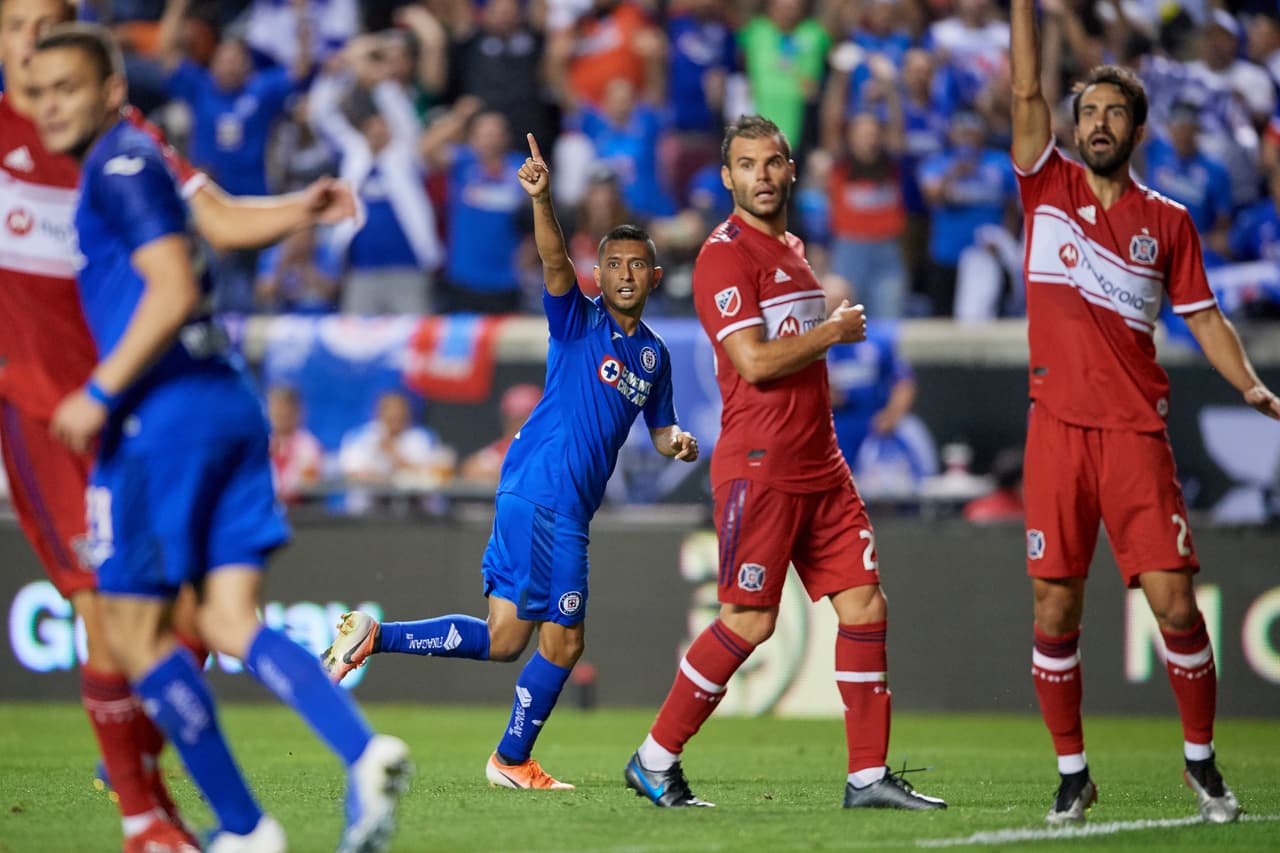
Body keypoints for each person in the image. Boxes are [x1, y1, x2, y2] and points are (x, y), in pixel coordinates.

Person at [28, 23, 411, 852]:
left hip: (161, 416)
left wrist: (97, 393)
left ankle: (243, 824)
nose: (50, 103)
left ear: (111, 91)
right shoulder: (151, 154)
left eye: (67, 87)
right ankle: (363, 748)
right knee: (228, 616)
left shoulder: (116, 163)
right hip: (227, 396)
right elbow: (224, 222)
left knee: (132, 632)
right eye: (40, 87)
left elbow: (168, 286)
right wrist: (299, 207)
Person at [320, 132, 698, 790]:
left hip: (544, 495)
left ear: (654, 276)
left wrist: (678, 441)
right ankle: (511, 759)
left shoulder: (656, 357)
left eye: (639, 266)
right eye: (616, 265)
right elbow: (554, 263)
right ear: (601, 273)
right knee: (566, 640)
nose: (627, 275)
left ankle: (372, 634)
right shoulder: (579, 320)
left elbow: (660, 431)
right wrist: (543, 198)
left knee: (504, 638)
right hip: (549, 495)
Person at [622, 115, 946, 811]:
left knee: (864, 603)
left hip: (820, 460)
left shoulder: (794, 248)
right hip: (761, 461)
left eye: (772, 163)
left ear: (791, 169)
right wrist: (832, 330)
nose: (761, 176)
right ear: (727, 177)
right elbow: (754, 362)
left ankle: (867, 776)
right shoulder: (724, 256)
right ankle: (654, 758)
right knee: (748, 620)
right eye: (747, 165)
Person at [1009, 0, 1280, 826]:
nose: (1095, 123)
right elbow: (1026, 90)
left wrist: (1250, 385)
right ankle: (1072, 773)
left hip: (1134, 434)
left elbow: (1203, 317)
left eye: (1111, 114)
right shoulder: (1043, 186)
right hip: (1054, 429)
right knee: (1054, 606)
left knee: (1174, 605)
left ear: (1136, 130)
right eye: (1086, 111)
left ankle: (1200, 761)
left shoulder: (1168, 221)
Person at [459, 384, 543, 485]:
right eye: (513, 420)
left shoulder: (550, 448)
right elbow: (469, 469)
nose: (517, 426)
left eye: (523, 419)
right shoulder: (502, 448)